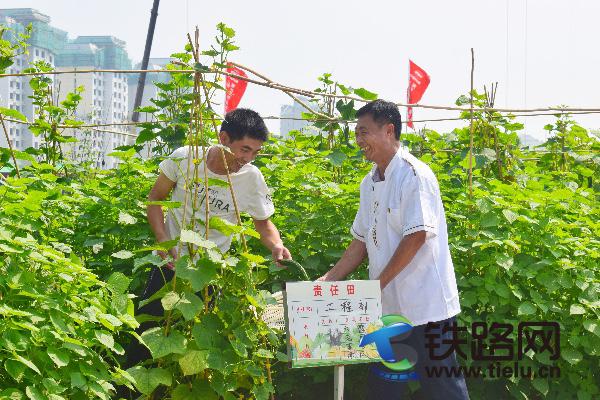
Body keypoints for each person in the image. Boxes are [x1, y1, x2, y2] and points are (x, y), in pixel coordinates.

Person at [318, 100, 469, 399]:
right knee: (385, 387)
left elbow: (417, 236)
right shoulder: (368, 182)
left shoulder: (414, 175)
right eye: (357, 133)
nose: (359, 140)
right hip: (390, 310)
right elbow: (360, 241)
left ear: (389, 131)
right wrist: (329, 280)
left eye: (364, 132)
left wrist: (375, 286)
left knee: (442, 388)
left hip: (428, 308)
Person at [124, 108, 291, 369]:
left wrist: (277, 246)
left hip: (210, 273)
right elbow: (155, 199)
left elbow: (263, 224)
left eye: (255, 152)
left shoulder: (251, 177)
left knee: (201, 344)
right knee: (147, 335)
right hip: (171, 265)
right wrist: (162, 241)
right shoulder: (186, 159)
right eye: (244, 149)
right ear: (224, 138)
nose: (248, 159)